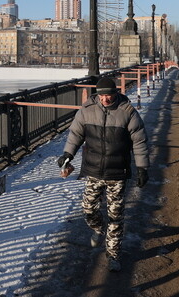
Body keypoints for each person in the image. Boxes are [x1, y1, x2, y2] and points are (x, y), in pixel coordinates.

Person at [56, 75, 149, 272]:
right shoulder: (87, 110)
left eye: (108, 95)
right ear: (97, 95)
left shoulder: (127, 112)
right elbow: (75, 134)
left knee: (115, 216)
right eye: (101, 96)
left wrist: (142, 168)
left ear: (115, 93)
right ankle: (99, 229)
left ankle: (113, 255)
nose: (105, 99)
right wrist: (67, 154)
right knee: (88, 209)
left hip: (117, 173)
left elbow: (139, 141)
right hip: (93, 170)